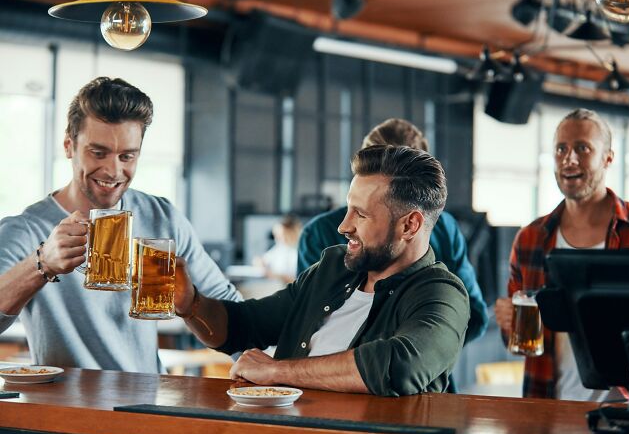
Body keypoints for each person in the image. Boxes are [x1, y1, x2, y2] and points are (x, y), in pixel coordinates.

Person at [175, 145, 470, 396]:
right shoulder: (332, 269)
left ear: (410, 225)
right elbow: (243, 325)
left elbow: (398, 367)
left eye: (361, 214)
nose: (344, 226)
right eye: (348, 209)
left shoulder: (442, 294)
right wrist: (190, 304)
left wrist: (277, 371)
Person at [0, 77, 242, 373]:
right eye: (98, 153)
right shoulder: (26, 229)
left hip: (148, 404)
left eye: (127, 156)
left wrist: (268, 370)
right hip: (64, 411)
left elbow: (232, 310)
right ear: (68, 145)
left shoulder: (161, 217)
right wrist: (41, 264)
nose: (114, 171)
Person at [494, 108, 629, 401]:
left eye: (583, 148)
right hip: (547, 408)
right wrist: (508, 323)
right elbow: (519, 342)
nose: (569, 159)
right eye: (561, 149)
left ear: (608, 157)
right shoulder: (530, 238)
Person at [297, 118, 488, 344]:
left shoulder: (445, 228)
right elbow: (306, 319)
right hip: (337, 373)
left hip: (418, 372)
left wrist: (428, 350)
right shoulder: (319, 234)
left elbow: (474, 316)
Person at [254, 214, 302, 284]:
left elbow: (301, 281)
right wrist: (260, 263)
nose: (277, 239)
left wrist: (277, 276)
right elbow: (261, 260)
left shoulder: (302, 250)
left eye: (281, 235)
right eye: (276, 235)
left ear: (294, 231)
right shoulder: (281, 247)